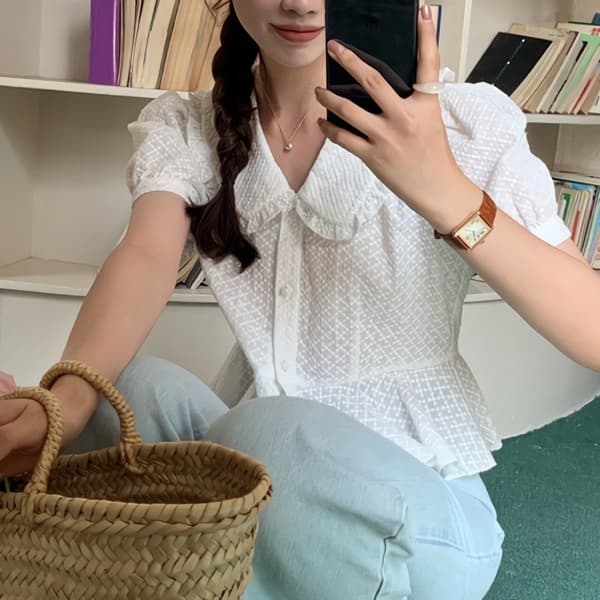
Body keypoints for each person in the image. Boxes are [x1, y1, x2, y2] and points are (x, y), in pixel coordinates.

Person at [1, 1, 599, 598]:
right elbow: (145, 255)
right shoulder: (191, 126)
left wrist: (446, 191)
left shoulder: (465, 121)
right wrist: (64, 404)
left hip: (419, 519)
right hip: (250, 463)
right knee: (126, 391)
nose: (302, 3)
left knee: (272, 436)